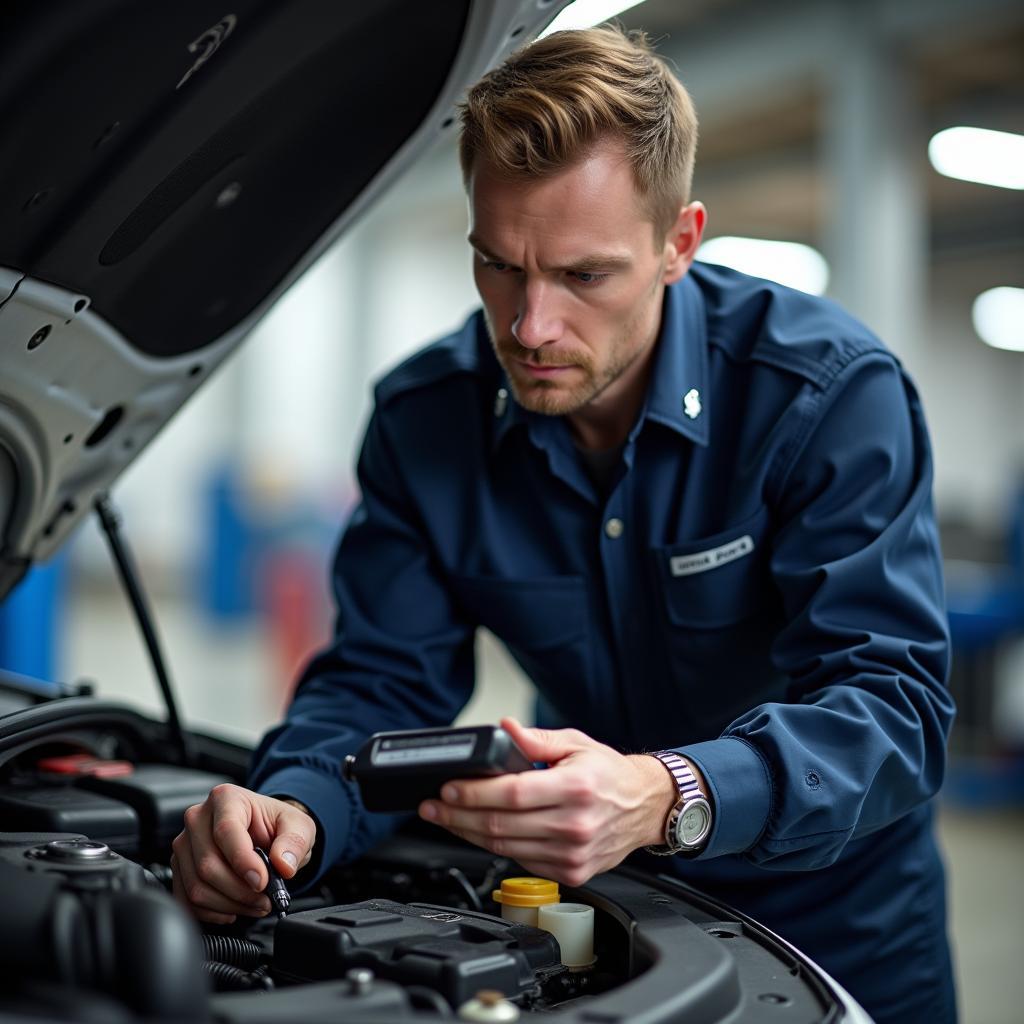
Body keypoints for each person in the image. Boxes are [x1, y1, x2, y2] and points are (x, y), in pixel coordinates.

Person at [171, 25, 957, 1023]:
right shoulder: (425, 423)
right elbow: (380, 679)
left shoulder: (825, 398)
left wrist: (668, 791)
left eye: (584, 276)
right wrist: (296, 810)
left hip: (840, 929)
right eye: (499, 266)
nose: (531, 326)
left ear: (679, 244)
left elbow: (892, 705)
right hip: (596, 914)